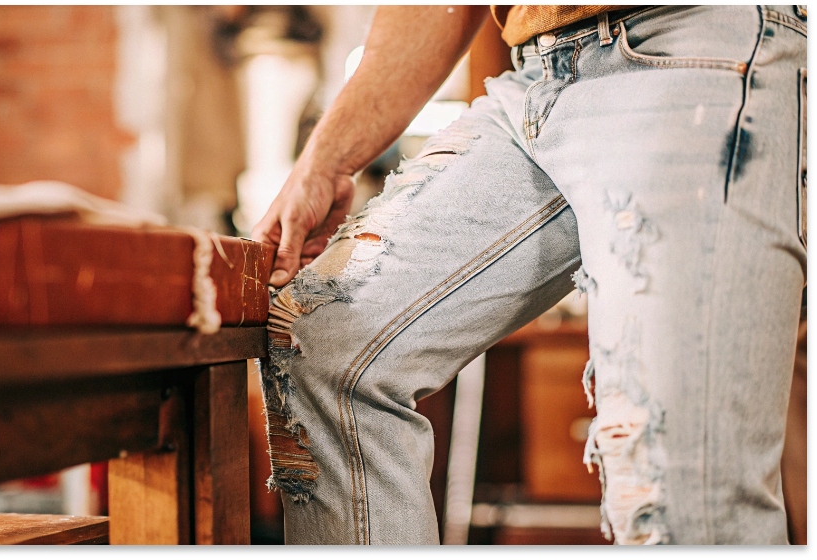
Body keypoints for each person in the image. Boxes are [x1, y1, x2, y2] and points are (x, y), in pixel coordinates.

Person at [251, 5, 807, 545]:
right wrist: (324, 163)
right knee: (323, 343)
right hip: (536, 78)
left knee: (680, 494)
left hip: (686, 41)